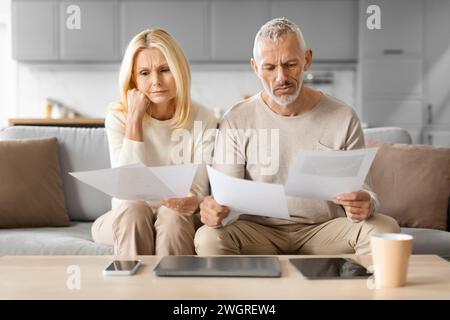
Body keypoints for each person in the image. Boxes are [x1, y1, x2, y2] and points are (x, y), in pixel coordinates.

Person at [195, 18, 399, 256]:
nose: (281, 77)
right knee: (208, 238)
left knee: (385, 229)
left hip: (323, 230)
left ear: (307, 59)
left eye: (290, 64)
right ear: (255, 67)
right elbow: (226, 199)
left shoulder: (343, 116)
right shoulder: (236, 119)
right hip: (257, 230)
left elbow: (364, 190)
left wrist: (366, 202)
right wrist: (215, 210)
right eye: (270, 67)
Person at [91, 28, 217, 257]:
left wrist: (192, 201)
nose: (156, 81)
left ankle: (173, 292)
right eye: (144, 73)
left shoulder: (203, 117)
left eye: (164, 70)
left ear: (179, 71)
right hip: (127, 214)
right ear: (133, 79)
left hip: (174, 215)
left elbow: (197, 189)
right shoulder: (119, 117)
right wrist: (135, 119)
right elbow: (125, 188)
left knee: (172, 218)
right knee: (133, 209)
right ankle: (132, 291)